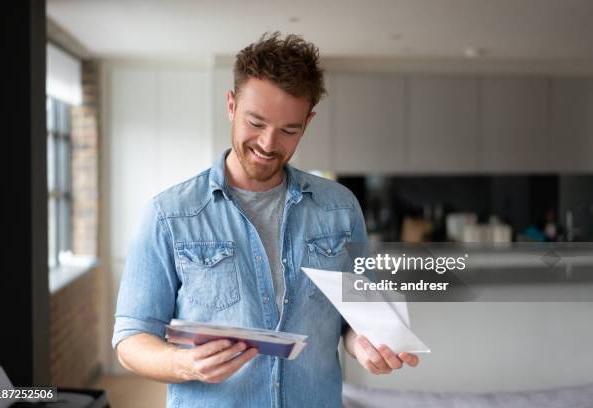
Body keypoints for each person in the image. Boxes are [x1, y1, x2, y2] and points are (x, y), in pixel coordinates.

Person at [112, 31, 419, 408]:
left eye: (289, 130)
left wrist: (367, 346)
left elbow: (355, 321)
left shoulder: (340, 208)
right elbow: (130, 341)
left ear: (308, 122)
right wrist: (184, 364)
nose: (268, 144)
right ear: (231, 105)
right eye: (255, 122)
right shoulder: (168, 214)